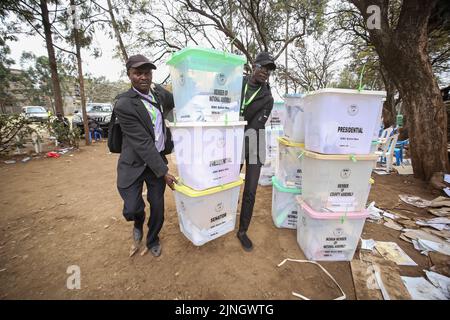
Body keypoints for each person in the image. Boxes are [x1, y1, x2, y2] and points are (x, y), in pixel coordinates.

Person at [114, 54, 177, 257]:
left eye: (147, 73)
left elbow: (178, 100)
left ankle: (153, 239)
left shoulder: (159, 95)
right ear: (129, 75)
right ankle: (138, 222)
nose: (143, 77)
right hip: (134, 161)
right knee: (132, 208)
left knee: (157, 205)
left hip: (156, 158)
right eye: (137, 73)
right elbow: (142, 143)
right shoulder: (124, 104)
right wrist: (165, 172)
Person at [237, 52, 276, 251]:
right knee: (228, 183)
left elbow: (254, 126)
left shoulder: (267, 98)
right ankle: (222, 219)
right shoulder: (237, 82)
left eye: (269, 70)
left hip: (254, 142)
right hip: (233, 141)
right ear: (254, 64)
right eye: (263, 66)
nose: (265, 72)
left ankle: (242, 231)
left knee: (250, 190)